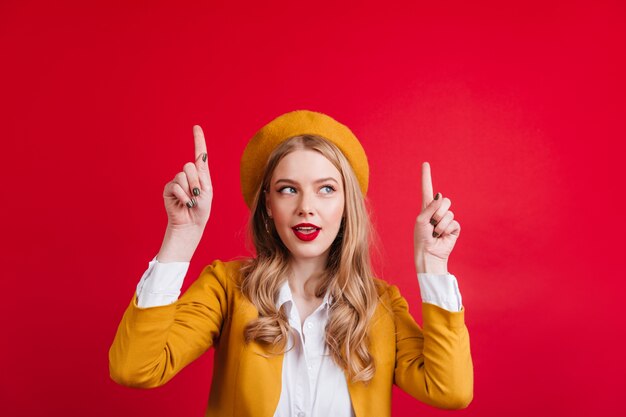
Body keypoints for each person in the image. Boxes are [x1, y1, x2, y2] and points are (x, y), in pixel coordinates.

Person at [109, 110, 473, 417]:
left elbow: (449, 390)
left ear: (347, 205)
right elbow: (134, 368)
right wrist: (180, 237)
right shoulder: (226, 288)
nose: (306, 207)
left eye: (326, 188)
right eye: (288, 189)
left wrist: (433, 264)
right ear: (267, 204)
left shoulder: (381, 307)